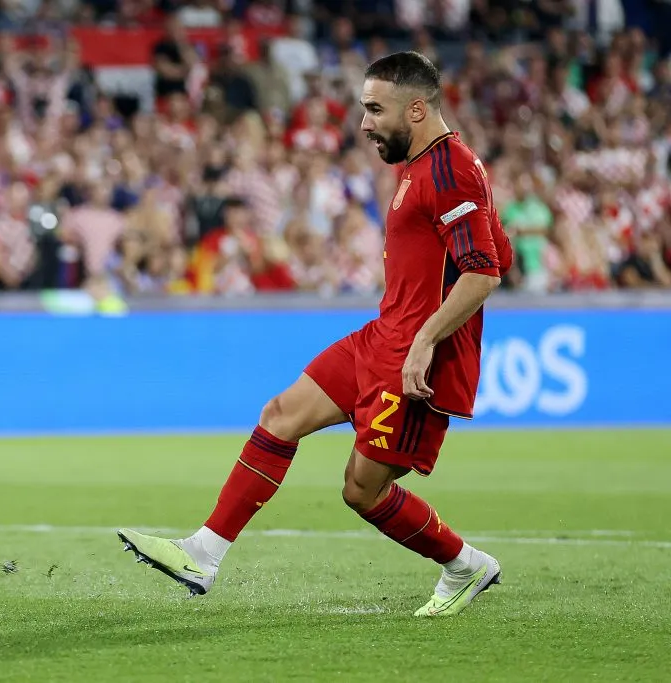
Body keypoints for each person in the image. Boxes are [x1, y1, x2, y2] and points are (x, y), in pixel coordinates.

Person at [118, 52, 514, 618]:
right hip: (381, 335)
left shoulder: (452, 172)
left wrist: (426, 342)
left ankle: (465, 564)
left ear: (418, 109)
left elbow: (484, 271)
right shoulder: (421, 163)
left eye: (376, 109)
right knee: (280, 414)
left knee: (362, 491)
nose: (364, 123)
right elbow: (498, 248)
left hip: (410, 354)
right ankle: (203, 553)